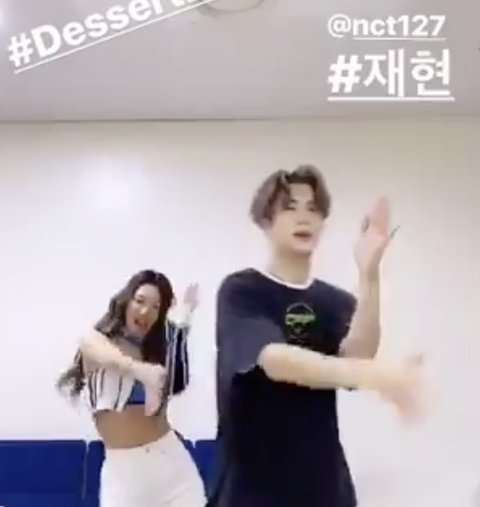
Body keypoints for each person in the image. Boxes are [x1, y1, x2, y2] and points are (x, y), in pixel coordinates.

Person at [209, 166, 425, 507]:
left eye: (313, 209)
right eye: (290, 207)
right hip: (254, 490)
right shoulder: (242, 291)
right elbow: (276, 360)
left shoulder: (333, 301)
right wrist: (378, 376)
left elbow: (358, 356)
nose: (304, 217)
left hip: (325, 487)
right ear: (265, 220)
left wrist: (369, 275)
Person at [57, 269, 206, 507]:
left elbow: (174, 381)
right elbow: (89, 343)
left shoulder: (153, 353)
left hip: (173, 467)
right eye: (140, 301)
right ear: (126, 301)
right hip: (125, 478)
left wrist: (183, 322)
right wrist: (138, 371)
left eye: (156, 307)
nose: (146, 311)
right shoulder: (99, 343)